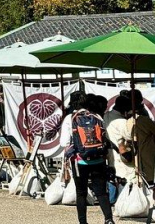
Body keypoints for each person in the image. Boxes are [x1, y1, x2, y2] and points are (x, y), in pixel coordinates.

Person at [64, 93, 114, 224]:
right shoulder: (97, 117)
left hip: (79, 161)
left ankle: (83, 222)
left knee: (81, 193)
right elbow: (105, 140)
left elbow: (64, 142)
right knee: (101, 192)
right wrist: (110, 163)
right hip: (99, 159)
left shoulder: (70, 119)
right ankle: (108, 219)